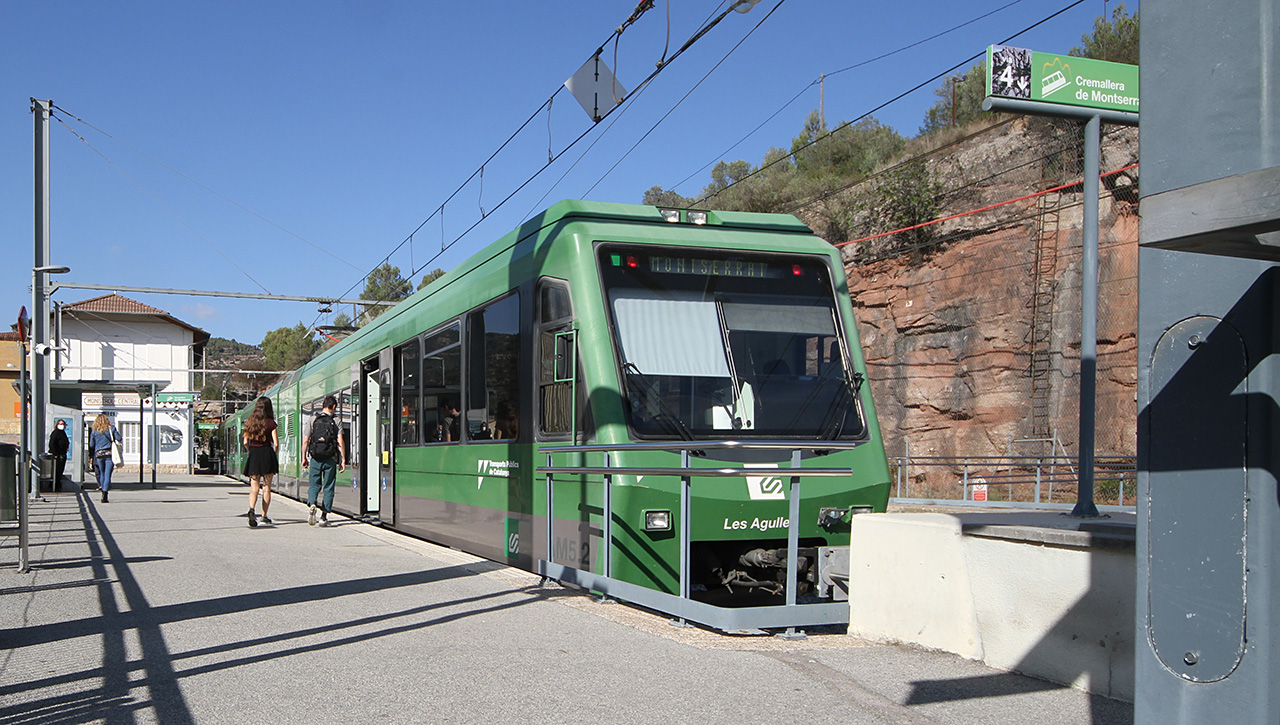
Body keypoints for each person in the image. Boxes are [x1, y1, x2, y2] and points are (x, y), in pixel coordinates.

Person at [303, 395, 345, 527]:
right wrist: (343, 459)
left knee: (314, 484)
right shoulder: (336, 420)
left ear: (323, 406)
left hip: (315, 458)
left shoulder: (312, 419)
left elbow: (305, 440)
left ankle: (312, 503)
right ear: (333, 407)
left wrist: (304, 457)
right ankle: (324, 517)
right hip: (330, 459)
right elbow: (340, 441)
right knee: (328, 487)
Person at [241, 397, 279, 528]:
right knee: (266, 488)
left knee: (254, 488)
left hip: (255, 454)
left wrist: (251, 450)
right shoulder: (271, 423)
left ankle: (252, 510)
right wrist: (273, 453)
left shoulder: (250, 422)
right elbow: (276, 443)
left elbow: (245, 442)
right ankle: (264, 515)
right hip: (267, 453)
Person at [88, 414, 122, 503]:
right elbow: (119, 438)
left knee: (102, 473)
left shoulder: (94, 430)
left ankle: (102, 488)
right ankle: (105, 494)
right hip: (109, 453)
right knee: (107, 474)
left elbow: (91, 444)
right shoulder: (111, 428)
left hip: (99, 454)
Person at [48, 419, 70, 490]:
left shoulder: (63, 433)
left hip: (63, 454)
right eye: (60, 424)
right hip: (57, 455)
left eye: (63, 424)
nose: (62, 425)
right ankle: (54, 486)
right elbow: (52, 444)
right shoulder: (55, 433)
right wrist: (55, 453)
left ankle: (57, 485)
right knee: (56, 471)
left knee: (60, 471)